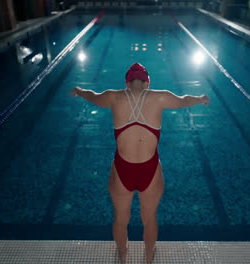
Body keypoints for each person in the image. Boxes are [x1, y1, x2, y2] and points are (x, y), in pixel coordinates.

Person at [72, 63, 209, 263]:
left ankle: (122, 255)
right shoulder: (160, 97)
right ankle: (148, 256)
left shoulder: (113, 96)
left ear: (127, 82)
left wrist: (79, 91)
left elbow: (92, 96)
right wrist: (200, 99)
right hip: (150, 169)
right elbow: (183, 101)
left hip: (122, 169)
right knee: (150, 217)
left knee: (120, 218)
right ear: (147, 82)